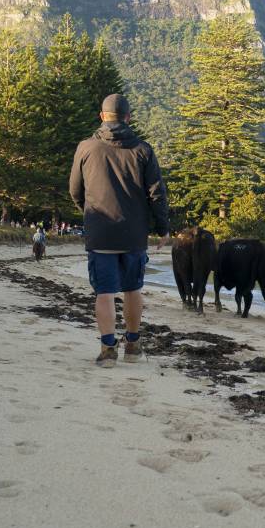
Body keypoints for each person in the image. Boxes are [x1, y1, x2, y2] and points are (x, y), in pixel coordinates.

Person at [69, 93, 171, 367]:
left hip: (100, 232)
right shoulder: (143, 150)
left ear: (102, 117)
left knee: (104, 292)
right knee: (133, 289)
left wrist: (92, 215)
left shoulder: (85, 148)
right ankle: (133, 345)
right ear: (128, 117)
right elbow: (156, 193)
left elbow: (75, 192)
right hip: (133, 234)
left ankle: (108, 350)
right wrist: (163, 228)